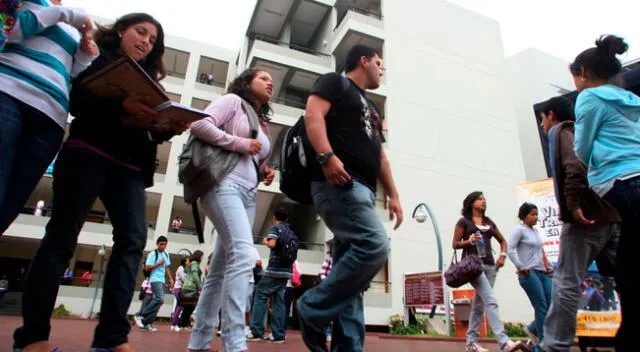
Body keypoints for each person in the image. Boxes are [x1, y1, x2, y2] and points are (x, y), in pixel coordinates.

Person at [12, 13, 182, 352]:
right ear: (121, 31)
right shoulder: (94, 57)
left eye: (152, 40)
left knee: (133, 241)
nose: (146, 41)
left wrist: (166, 125)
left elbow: (147, 129)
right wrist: (122, 104)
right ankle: (31, 338)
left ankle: (112, 339)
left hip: (130, 165)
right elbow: (77, 100)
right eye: (141, 32)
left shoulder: (151, 82)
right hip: (87, 150)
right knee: (62, 236)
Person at [296, 44, 403, 352]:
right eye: (379, 63)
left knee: (352, 280)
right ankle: (312, 307)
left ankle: (348, 347)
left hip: (364, 192)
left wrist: (394, 194)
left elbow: (380, 155)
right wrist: (326, 156)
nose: (381, 69)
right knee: (374, 245)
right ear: (363, 61)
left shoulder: (372, 107)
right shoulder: (335, 82)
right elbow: (312, 115)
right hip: (340, 184)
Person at [186, 68, 276, 352]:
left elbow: (255, 156)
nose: (270, 82)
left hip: (249, 194)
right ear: (246, 82)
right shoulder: (232, 102)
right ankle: (235, 342)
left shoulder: (262, 121)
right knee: (244, 255)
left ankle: (199, 341)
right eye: (263, 78)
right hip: (223, 185)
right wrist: (239, 143)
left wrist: (265, 169)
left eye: (271, 80)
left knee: (220, 270)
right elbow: (199, 125)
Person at [0, 0, 97, 237]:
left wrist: (85, 54)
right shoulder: (24, 2)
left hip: (51, 118)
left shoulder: (75, 24)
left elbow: (69, 72)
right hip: (8, 92)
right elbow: (8, 30)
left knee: (13, 200)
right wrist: (64, 14)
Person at [569, 34, 640, 352]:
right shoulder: (632, 100)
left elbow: (581, 149)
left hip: (621, 183)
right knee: (627, 262)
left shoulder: (589, 98)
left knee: (628, 270)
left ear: (583, 73)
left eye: (575, 78)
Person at [535, 95, 620, 352]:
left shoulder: (562, 131)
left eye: (542, 119)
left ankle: (554, 346)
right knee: (625, 278)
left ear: (551, 115)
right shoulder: (589, 130)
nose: (541, 125)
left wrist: (573, 205)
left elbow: (575, 166)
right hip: (612, 214)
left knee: (566, 281)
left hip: (585, 217)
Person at [453, 191, 526, 352]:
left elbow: (503, 241)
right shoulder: (464, 222)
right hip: (474, 267)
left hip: (491, 266)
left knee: (479, 305)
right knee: (491, 300)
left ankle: (471, 343)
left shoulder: (489, 222)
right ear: (472, 203)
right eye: (480, 199)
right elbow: (455, 244)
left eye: (484, 199)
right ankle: (504, 342)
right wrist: (469, 241)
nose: (483, 201)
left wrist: (503, 256)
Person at [507, 203, 554, 349]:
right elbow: (510, 248)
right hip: (529, 273)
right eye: (532, 214)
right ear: (524, 216)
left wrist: (548, 266)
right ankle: (543, 342)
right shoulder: (519, 230)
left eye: (536, 214)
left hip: (542, 272)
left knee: (552, 305)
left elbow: (541, 251)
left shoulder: (535, 232)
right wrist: (520, 267)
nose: (535, 217)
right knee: (541, 306)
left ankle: (533, 329)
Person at [247, 211, 296, 343]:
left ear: (274, 218)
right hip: (287, 271)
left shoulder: (275, 228)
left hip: (275, 269)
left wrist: (265, 241)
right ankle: (278, 334)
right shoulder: (291, 231)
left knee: (260, 294)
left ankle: (256, 331)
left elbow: (272, 243)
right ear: (286, 219)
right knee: (279, 300)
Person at [134, 236, 174, 331]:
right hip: (154, 279)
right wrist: (159, 263)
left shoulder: (166, 254)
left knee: (158, 302)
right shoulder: (153, 254)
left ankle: (146, 323)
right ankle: (140, 315)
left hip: (161, 280)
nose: (163, 246)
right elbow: (147, 268)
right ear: (157, 244)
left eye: (165, 244)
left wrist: (171, 279)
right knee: (160, 299)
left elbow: (166, 267)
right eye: (161, 244)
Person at [180, 250, 204, 330]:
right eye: (202, 256)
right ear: (199, 257)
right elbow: (195, 275)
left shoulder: (192, 263)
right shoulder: (194, 264)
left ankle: (183, 324)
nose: (202, 258)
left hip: (187, 287)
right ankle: (182, 324)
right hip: (191, 287)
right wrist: (200, 287)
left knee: (188, 307)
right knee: (190, 307)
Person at [245, 247, 262, 335]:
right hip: (236, 279)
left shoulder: (253, 249)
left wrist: (248, 263)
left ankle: (247, 326)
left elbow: (259, 262)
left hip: (249, 280)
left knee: (247, 304)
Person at [171, 256, 190, 332]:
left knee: (178, 307)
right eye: (188, 261)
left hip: (181, 289)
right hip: (178, 289)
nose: (189, 262)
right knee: (180, 306)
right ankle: (174, 324)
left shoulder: (184, 269)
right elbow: (184, 279)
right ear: (185, 261)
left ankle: (175, 323)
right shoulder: (181, 268)